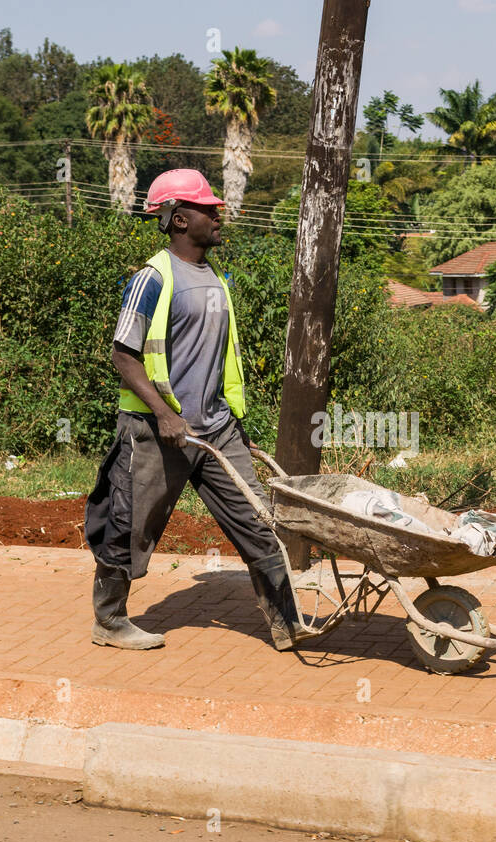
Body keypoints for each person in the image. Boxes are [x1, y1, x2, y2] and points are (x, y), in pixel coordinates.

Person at [83, 168, 307, 652]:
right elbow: (124, 353)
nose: (217, 214)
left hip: (217, 430)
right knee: (128, 525)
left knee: (258, 520)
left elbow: (220, 360)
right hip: (156, 431)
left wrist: (237, 422)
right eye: (208, 209)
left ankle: (286, 620)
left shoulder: (216, 280)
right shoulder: (152, 278)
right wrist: (164, 413)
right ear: (179, 219)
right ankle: (109, 621)